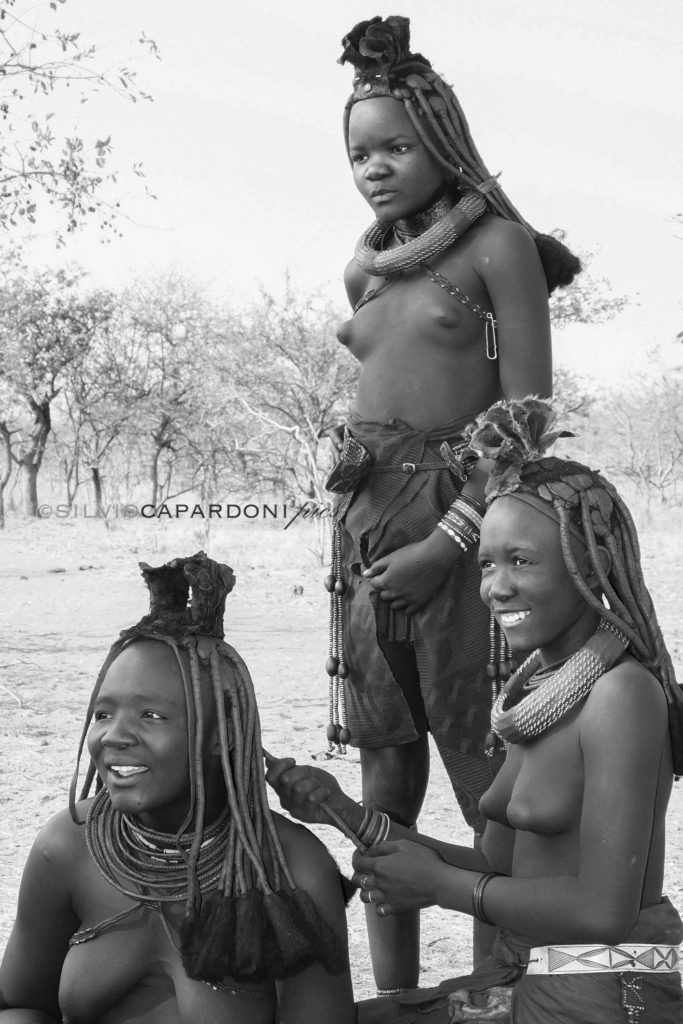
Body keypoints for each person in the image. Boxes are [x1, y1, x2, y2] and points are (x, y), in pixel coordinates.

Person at [273, 398, 683, 1023]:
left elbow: (605, 911)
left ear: (589, 562)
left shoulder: (621, 696)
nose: (496, 586)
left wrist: (441, 889)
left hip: (600, 995)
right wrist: (341, 812)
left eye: (522, 561)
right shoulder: (541, 693)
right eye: (486, 563)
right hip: (524, 978)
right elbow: (498, 869)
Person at [324, 13, 580, 991]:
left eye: (394, 145)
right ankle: (389, 998)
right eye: (357, 152)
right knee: (382, 778)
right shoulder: (363, 266)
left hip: (463, 536)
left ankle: (494, 991)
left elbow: (524, 419)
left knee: (488, 782)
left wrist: (450, 539)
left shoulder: (498, 247)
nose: (374, 167)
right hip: (360, 540)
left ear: (442, 140)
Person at [0, 552, 354, 1024]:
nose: (114, 736)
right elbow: (19, 1005)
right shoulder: (69, 846)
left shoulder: (290, 868)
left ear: (219, 735)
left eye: (152, 715)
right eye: (103, 713)